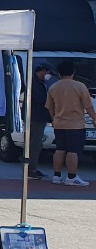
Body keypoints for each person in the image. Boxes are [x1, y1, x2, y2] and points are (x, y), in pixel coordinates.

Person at [45, 59, 96, 187]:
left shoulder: (53, 87)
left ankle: (56, 176)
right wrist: (94, 118)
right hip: (75, 124)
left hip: (59, 123)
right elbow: (88, 106)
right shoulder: (79, 86)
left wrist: (54, 119)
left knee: (60, 149)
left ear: (59, 73)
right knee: (73, 151)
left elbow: (50, 107)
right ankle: (71, 177)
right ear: (73, 72)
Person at [26, 63, 54, 180]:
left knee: (35, 144)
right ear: (43, 71)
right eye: (48, 73)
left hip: (38, 117)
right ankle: (31, 169)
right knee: (35, 144)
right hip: (36, 117)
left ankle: (31, 168)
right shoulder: (35, 83)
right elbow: (40, 98)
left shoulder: (39, 83)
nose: (49, 76)